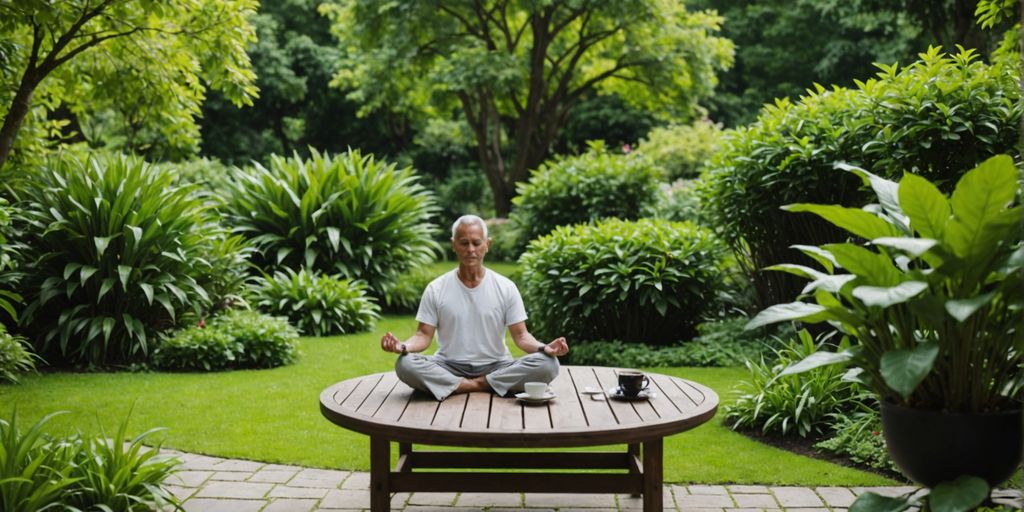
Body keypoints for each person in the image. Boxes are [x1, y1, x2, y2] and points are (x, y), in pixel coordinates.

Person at [380, 214, 569, 401]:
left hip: (497, 366)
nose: (471, 249)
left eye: (476, 243)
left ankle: (462, 385)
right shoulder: (436, 288)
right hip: (447, 365)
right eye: (464, 243)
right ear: (453, 244)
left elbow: (521, 336)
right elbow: (423, 336)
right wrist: (403, 346)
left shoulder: (506, 287)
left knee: (548, 364)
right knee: (405, 364)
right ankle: (486, 385)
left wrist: (544, 348)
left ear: (487, 244)